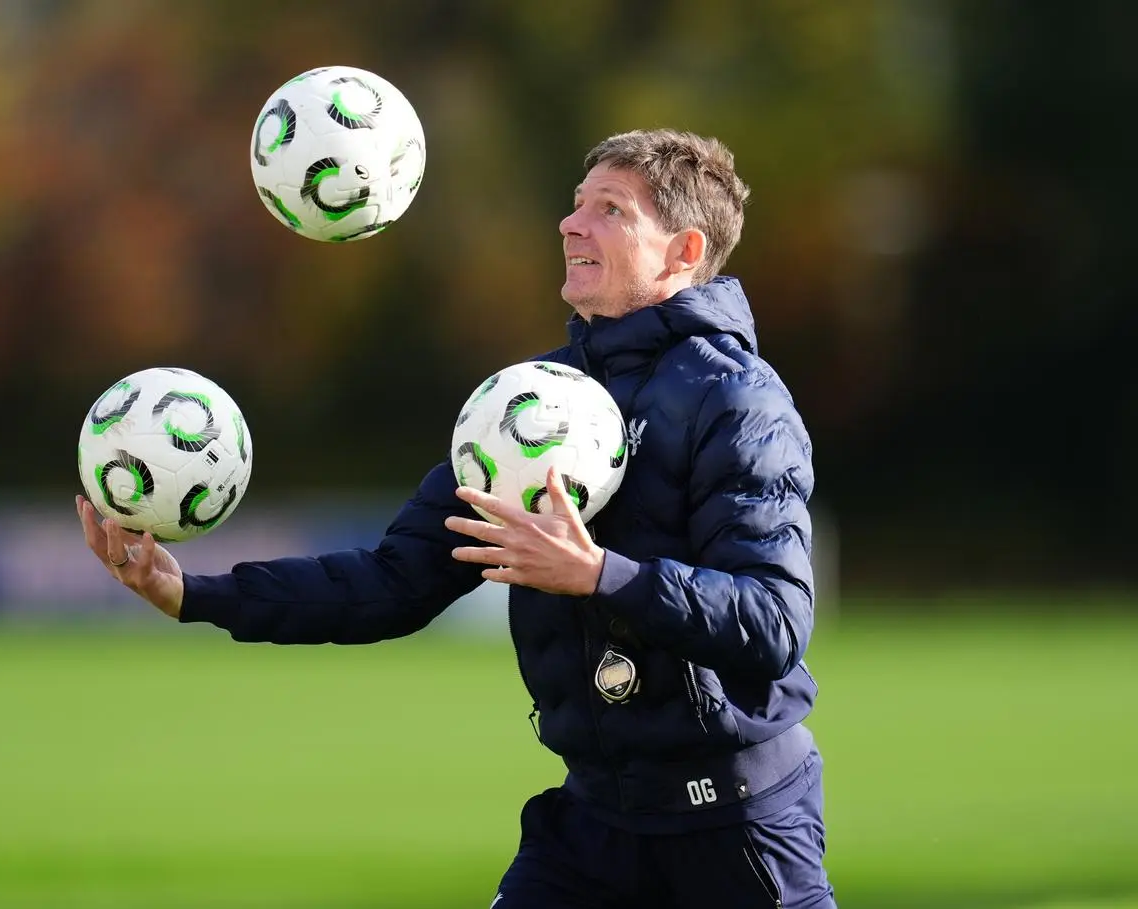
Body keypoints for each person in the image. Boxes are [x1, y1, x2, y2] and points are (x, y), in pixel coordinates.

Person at [77, 128, 835, 908]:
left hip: (735, 826)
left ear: (683, 251)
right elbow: (392, 581)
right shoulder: (527, 404)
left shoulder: (739, 400)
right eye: (576, 206)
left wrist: (599, 575)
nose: (572, 224)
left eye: (611, 210)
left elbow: (773, 622)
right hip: (591, 830)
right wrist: (192, 594)